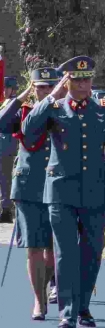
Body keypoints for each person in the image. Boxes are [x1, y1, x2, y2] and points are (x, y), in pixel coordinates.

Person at [22, 56, 105, 328]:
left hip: (94, 191)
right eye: (77, 79)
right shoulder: (54, 108)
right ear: (67, 81)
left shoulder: (104, 109)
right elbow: (29, 129)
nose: (83, 84)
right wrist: (51, 96)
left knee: (92, 251)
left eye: (87, 79)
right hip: (61, 192)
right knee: (65, 253)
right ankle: (67, 312)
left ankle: (83, 308)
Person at [0, 67, 60, 320]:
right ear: (33, 88)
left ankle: (51, 287)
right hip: (28, 186)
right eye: (39, 87)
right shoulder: (22, 111)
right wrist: (21, 96)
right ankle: (39, 300)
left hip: (58, 185)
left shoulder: (64, 112)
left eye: (49, 86)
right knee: (34, 246)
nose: (44, 91)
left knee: (52, 245)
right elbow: (2, 122)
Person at [0, 76, 19, 223]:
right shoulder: (6, 102)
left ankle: (6, 209)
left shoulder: (15, 102)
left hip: (8, 142)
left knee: (5, 176)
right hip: (4, 142)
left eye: (6, 88)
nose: (3, 90)